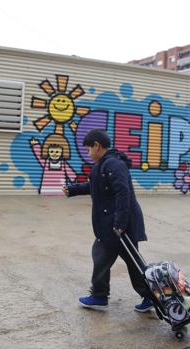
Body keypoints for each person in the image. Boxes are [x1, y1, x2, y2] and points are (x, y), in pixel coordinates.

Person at [62, 129, 153, 312]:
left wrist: (119, 224)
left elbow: (123, 194)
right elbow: (95, 186)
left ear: (97, 145)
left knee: (106, 256)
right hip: (114, 226)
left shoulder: (113, 165)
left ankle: (100, 295)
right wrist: (73, 190)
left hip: (118, 226)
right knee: (130, 261)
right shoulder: (105, 165)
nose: (88, 154)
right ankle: (148, 295)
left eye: (88, 149)